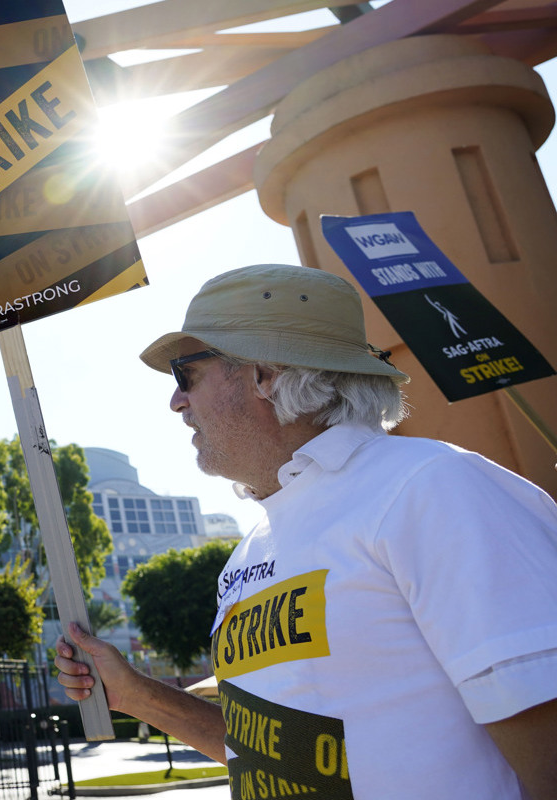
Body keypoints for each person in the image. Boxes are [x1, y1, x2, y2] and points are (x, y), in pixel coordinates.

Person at [54, 264, 557, 799]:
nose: (177, 402)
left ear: (265, 373)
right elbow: (266, 752)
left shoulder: (431, 489)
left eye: (186, 374)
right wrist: (136, 695)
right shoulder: (253, 545)